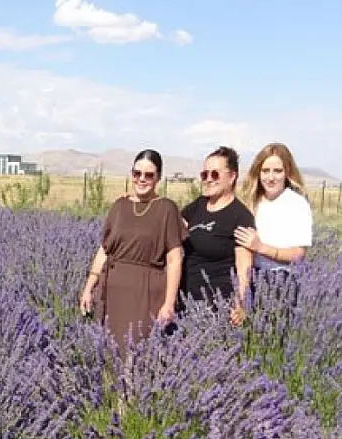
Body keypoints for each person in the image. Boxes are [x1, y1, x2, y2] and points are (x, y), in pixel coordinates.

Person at [79, 149, 188, 354]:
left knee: (138, 354)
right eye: (137, 173)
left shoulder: (167, 209)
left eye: (149, 175)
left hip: (145, 292)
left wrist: (169, 303)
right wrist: (89, 287)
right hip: (112, 291)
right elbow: (104, 250)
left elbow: (174, 260)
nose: (142, 179)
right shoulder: (120, 205)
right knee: (109, 352)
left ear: (158, 178)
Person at [178, 146, 255, 325]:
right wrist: (141, 200)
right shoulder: (198, 205)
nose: (208, 179)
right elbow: (171, 226)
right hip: (185, 300)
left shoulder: (240, 216)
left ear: (232, 176)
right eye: (204, 175)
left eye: (215, 174)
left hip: (217, 305)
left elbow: (244, 266)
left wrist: (241, 302)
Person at [233, 142, 313, 308]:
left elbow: (298, 254)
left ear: (287, 173)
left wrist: (260, 247)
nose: (270, 177)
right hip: (249, 278)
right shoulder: (251, 201)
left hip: (280, 282)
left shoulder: (296, 204)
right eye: (265, 171)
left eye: (277, 171)